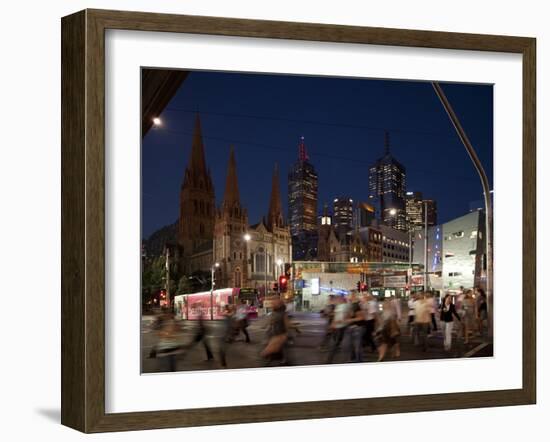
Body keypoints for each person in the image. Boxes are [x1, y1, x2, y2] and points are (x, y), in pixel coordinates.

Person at [327, 296, 351, 363]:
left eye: (338, 299)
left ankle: (329, 359)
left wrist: (342, 320)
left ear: (342, 300)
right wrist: (332, 324)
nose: (337, 300)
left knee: (335, 343)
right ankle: (332, 355)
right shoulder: (338, 306)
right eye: (337, 299)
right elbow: (335, 315)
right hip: (336, 327)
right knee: (335, 341)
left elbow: (348, 315)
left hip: (341, 327)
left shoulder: (346, 306)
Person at [348, 291, 367, 362]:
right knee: (353, 346)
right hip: (352, 327)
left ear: (353, 296)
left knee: (357, 347)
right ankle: (354, 359)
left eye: (349, 295)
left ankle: (359, 361)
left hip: (358, 328)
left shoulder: (357, 305)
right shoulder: (352, 305)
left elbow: (362, 318)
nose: (348, 296)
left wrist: (349, 320)